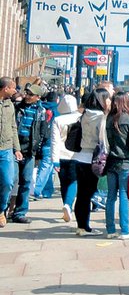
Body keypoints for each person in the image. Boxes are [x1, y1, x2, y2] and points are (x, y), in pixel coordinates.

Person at [9, 82, 52, 223]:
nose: (27, 96)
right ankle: (4, 210)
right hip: (14, 148)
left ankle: (20, 212)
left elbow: (43, 133)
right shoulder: (16, 108)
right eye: (27, 93)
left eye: (31, 94)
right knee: (9, 180)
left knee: (26, 182)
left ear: (38, 97)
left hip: (29, 151)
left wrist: (37, 152)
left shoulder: (41, 112)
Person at [72, 88, 110, 236]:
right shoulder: (101, 117)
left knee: (82, 194)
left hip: (80, 156)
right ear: (102, 100)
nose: (109, 101)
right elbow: (104, 141)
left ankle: (81, 226)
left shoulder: (85, 114)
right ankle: (84, 227)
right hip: (94, 159)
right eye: (107, 98)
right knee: (89, 193)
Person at [104, 92, 129, 238]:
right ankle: (125, 230)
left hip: (111, 162)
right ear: (126, 102)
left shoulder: (109, 118)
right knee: (124, 195)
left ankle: (110, 230)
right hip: (126, 162)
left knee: (110, 196)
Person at [54, 93, 81, 223]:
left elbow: (55, 141)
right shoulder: (80, 118)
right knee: (73, 181)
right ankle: (68, 205)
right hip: (76, 154)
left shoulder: (57, 120)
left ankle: (66, 205)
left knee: (64, 182)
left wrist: (54, 159)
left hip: (61, 155)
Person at [0, 76, 23, 226]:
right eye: (13, 87)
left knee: (8, 182)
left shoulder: (10, 105)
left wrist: (17, 148)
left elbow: (13, 127)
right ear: (5, 88)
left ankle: (1, 209)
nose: (15, 90)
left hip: (6, 149)